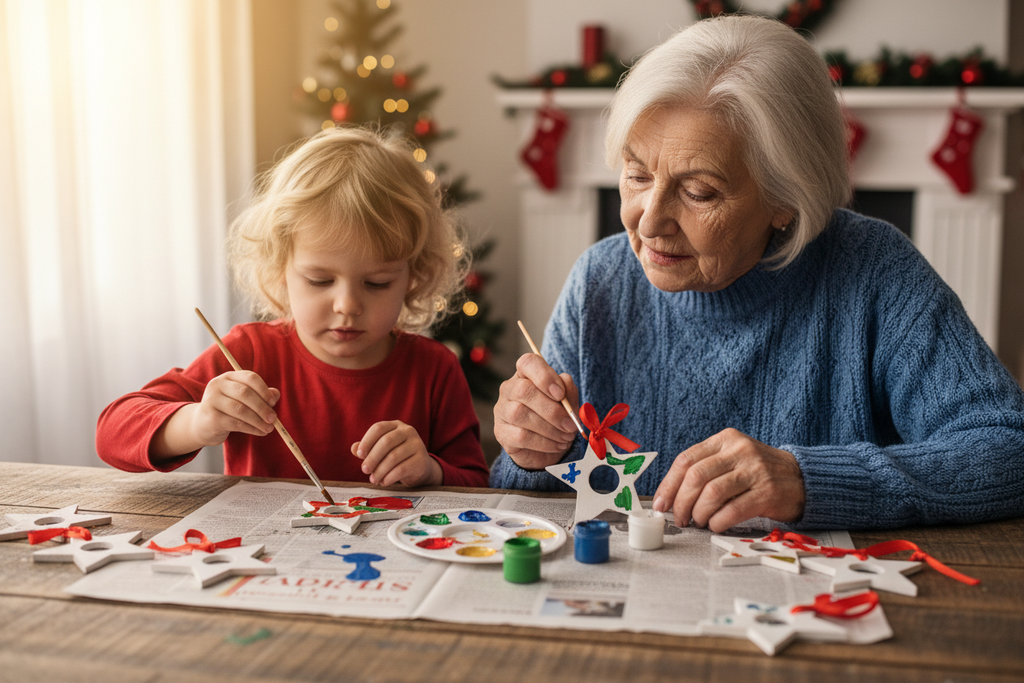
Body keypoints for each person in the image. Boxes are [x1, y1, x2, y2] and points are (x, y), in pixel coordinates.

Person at [490, 15, 1024, 531]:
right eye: (636, 175)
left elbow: (1008, 450)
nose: (648, 221)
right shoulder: (600, 280)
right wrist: (531, 450)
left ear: (785, 199)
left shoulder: (874, 272)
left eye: (699, 192)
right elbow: (529, 494)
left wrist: (808, 480)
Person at [97, 126, 489, 488]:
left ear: (413, 277)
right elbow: (112, 432)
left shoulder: (434, 370)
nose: (347, 305)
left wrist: (430, 470)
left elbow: (477, 483)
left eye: (377, 283)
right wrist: (198, 422)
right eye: (319, 280)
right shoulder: (248, 354)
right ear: (280, 268)